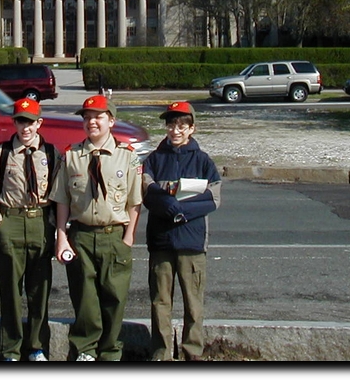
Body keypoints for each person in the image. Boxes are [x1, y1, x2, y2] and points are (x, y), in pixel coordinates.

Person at [49, 95, 143, 361]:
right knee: (85, 297)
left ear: (111, 121)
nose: (92, 122)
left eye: (98, 117)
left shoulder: (127, 157)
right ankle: (86, 350)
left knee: (114, 297)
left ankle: (110, 351)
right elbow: (62, 199)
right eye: (87, 117)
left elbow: (135, 202)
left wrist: (128, 238)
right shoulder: (72, 156)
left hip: (113, 235)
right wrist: (61, 237)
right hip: (81, 234)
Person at [0, 97, 62, 362]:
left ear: (39, 123)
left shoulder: (51, 153)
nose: (25, 128)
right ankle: (10, 349)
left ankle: (36, 346)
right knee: (10, 291)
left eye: (30, 122)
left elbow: (60, 193)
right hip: (10, 221)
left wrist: (58, 228)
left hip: (40, 221)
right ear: (14, 123)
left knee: (39, 289)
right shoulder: (3, 153)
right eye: (20, 122)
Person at [141, 101, 222, 362]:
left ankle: (192, 354)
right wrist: (167, 204)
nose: (175, 130)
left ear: (192, 129)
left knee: (193, 304)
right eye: (171, 124)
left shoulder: (203, 161)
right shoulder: (154, 159)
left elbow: (214, 198)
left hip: (192, 242)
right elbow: (146, 191)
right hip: (161, 241)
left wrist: (182, 211)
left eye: (182, 125)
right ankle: (161, 354)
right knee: (160, 303)